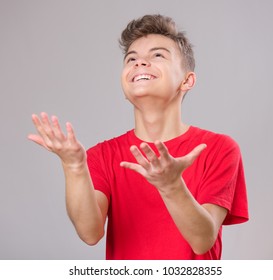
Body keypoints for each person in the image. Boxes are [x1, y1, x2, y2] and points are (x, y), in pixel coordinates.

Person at [28, 14, 249, 260]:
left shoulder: (218, 148)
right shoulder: (101, 156)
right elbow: (90, 233)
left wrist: (171, 186)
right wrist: (73, 166)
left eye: (157, 55)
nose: (139, 63)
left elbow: (202, 240)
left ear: (187, 81)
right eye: (131, 59)